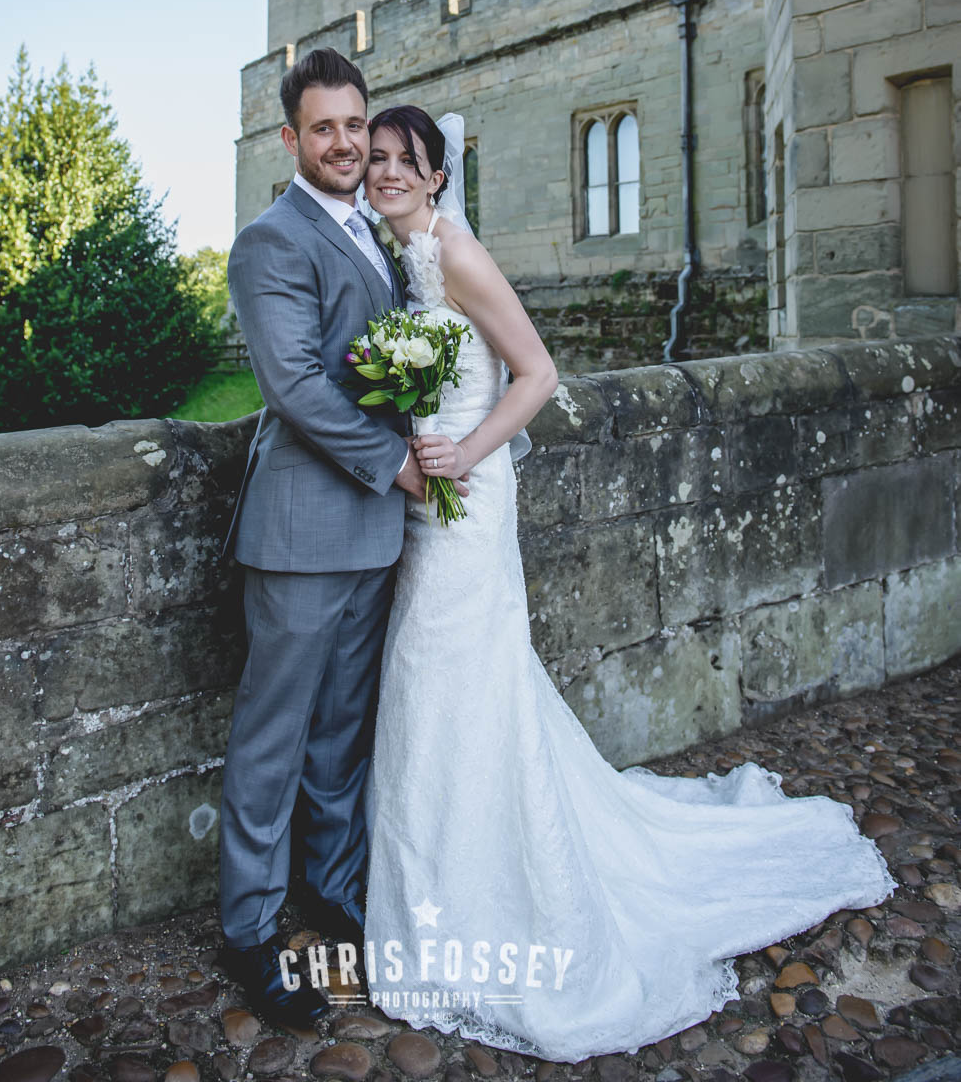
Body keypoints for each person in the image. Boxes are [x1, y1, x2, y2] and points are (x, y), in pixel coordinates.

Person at [360, 104, 897, 1063]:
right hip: (424, 503)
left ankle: (485, 901)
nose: (388, 172)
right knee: (446, 685)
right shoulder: (403, 260)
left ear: (439, 176)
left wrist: (465, 456)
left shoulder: (458, 255)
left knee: (446, 673)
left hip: (467, 506)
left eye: (408, 161)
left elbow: (537, 374)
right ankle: (444, 883)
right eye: (378, 159)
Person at [218, 51, 467, 1031]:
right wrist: (398, 464)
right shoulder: (270, 242)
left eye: (355, 125)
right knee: (273, 740)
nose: (344, 143)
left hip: (371, 537)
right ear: (292, 138)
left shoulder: (375, 231)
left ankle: (333, 891)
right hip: (300, 534)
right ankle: (248, 929)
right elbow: (295, 386)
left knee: (340, 738)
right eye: (323, 127)